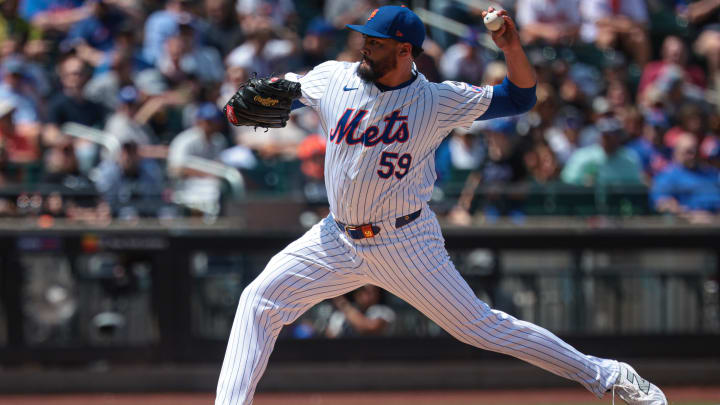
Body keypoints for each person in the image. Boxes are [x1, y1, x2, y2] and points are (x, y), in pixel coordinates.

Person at [214, 6, 667, 405]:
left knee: (482, 328)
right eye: (364, 39)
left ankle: (608, 376)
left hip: (405, 242)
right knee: (259, 300)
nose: (364, 48)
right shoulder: (336, 77)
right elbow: (292, 86)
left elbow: (520, 96)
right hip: (335, 237)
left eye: (375, 42)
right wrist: (266, 93)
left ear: (405, 50)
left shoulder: (436, 100)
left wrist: (511, 46)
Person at [651, 133, 720, 222]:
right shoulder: (666, 177)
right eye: (688, 152)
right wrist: (689, 215)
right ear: (676, 153)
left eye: (696, 151)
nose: (693, 156)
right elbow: (662, 204)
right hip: (688, 227)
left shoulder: (711, 173)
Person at [326, 285, 396, 338]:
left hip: (377, 355)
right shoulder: (340, 314)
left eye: (371, 291)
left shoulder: (384, 311)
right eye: (362, 290)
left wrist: (343, 304)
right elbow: (330, 338)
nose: (366, 295)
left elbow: (369, 328)